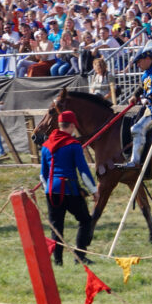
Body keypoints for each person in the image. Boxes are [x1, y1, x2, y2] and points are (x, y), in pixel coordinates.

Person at [40, 110, 96, 266]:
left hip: (51, 191)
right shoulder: (74, 145)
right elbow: (83, 170)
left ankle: (58, 262)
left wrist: (48, 190)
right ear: (71, 125)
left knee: (56, 228)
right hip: (70, 190)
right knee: (85, 220)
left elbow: (42, 175)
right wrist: (94, 191)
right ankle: (80, 256)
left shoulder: (45, 146)